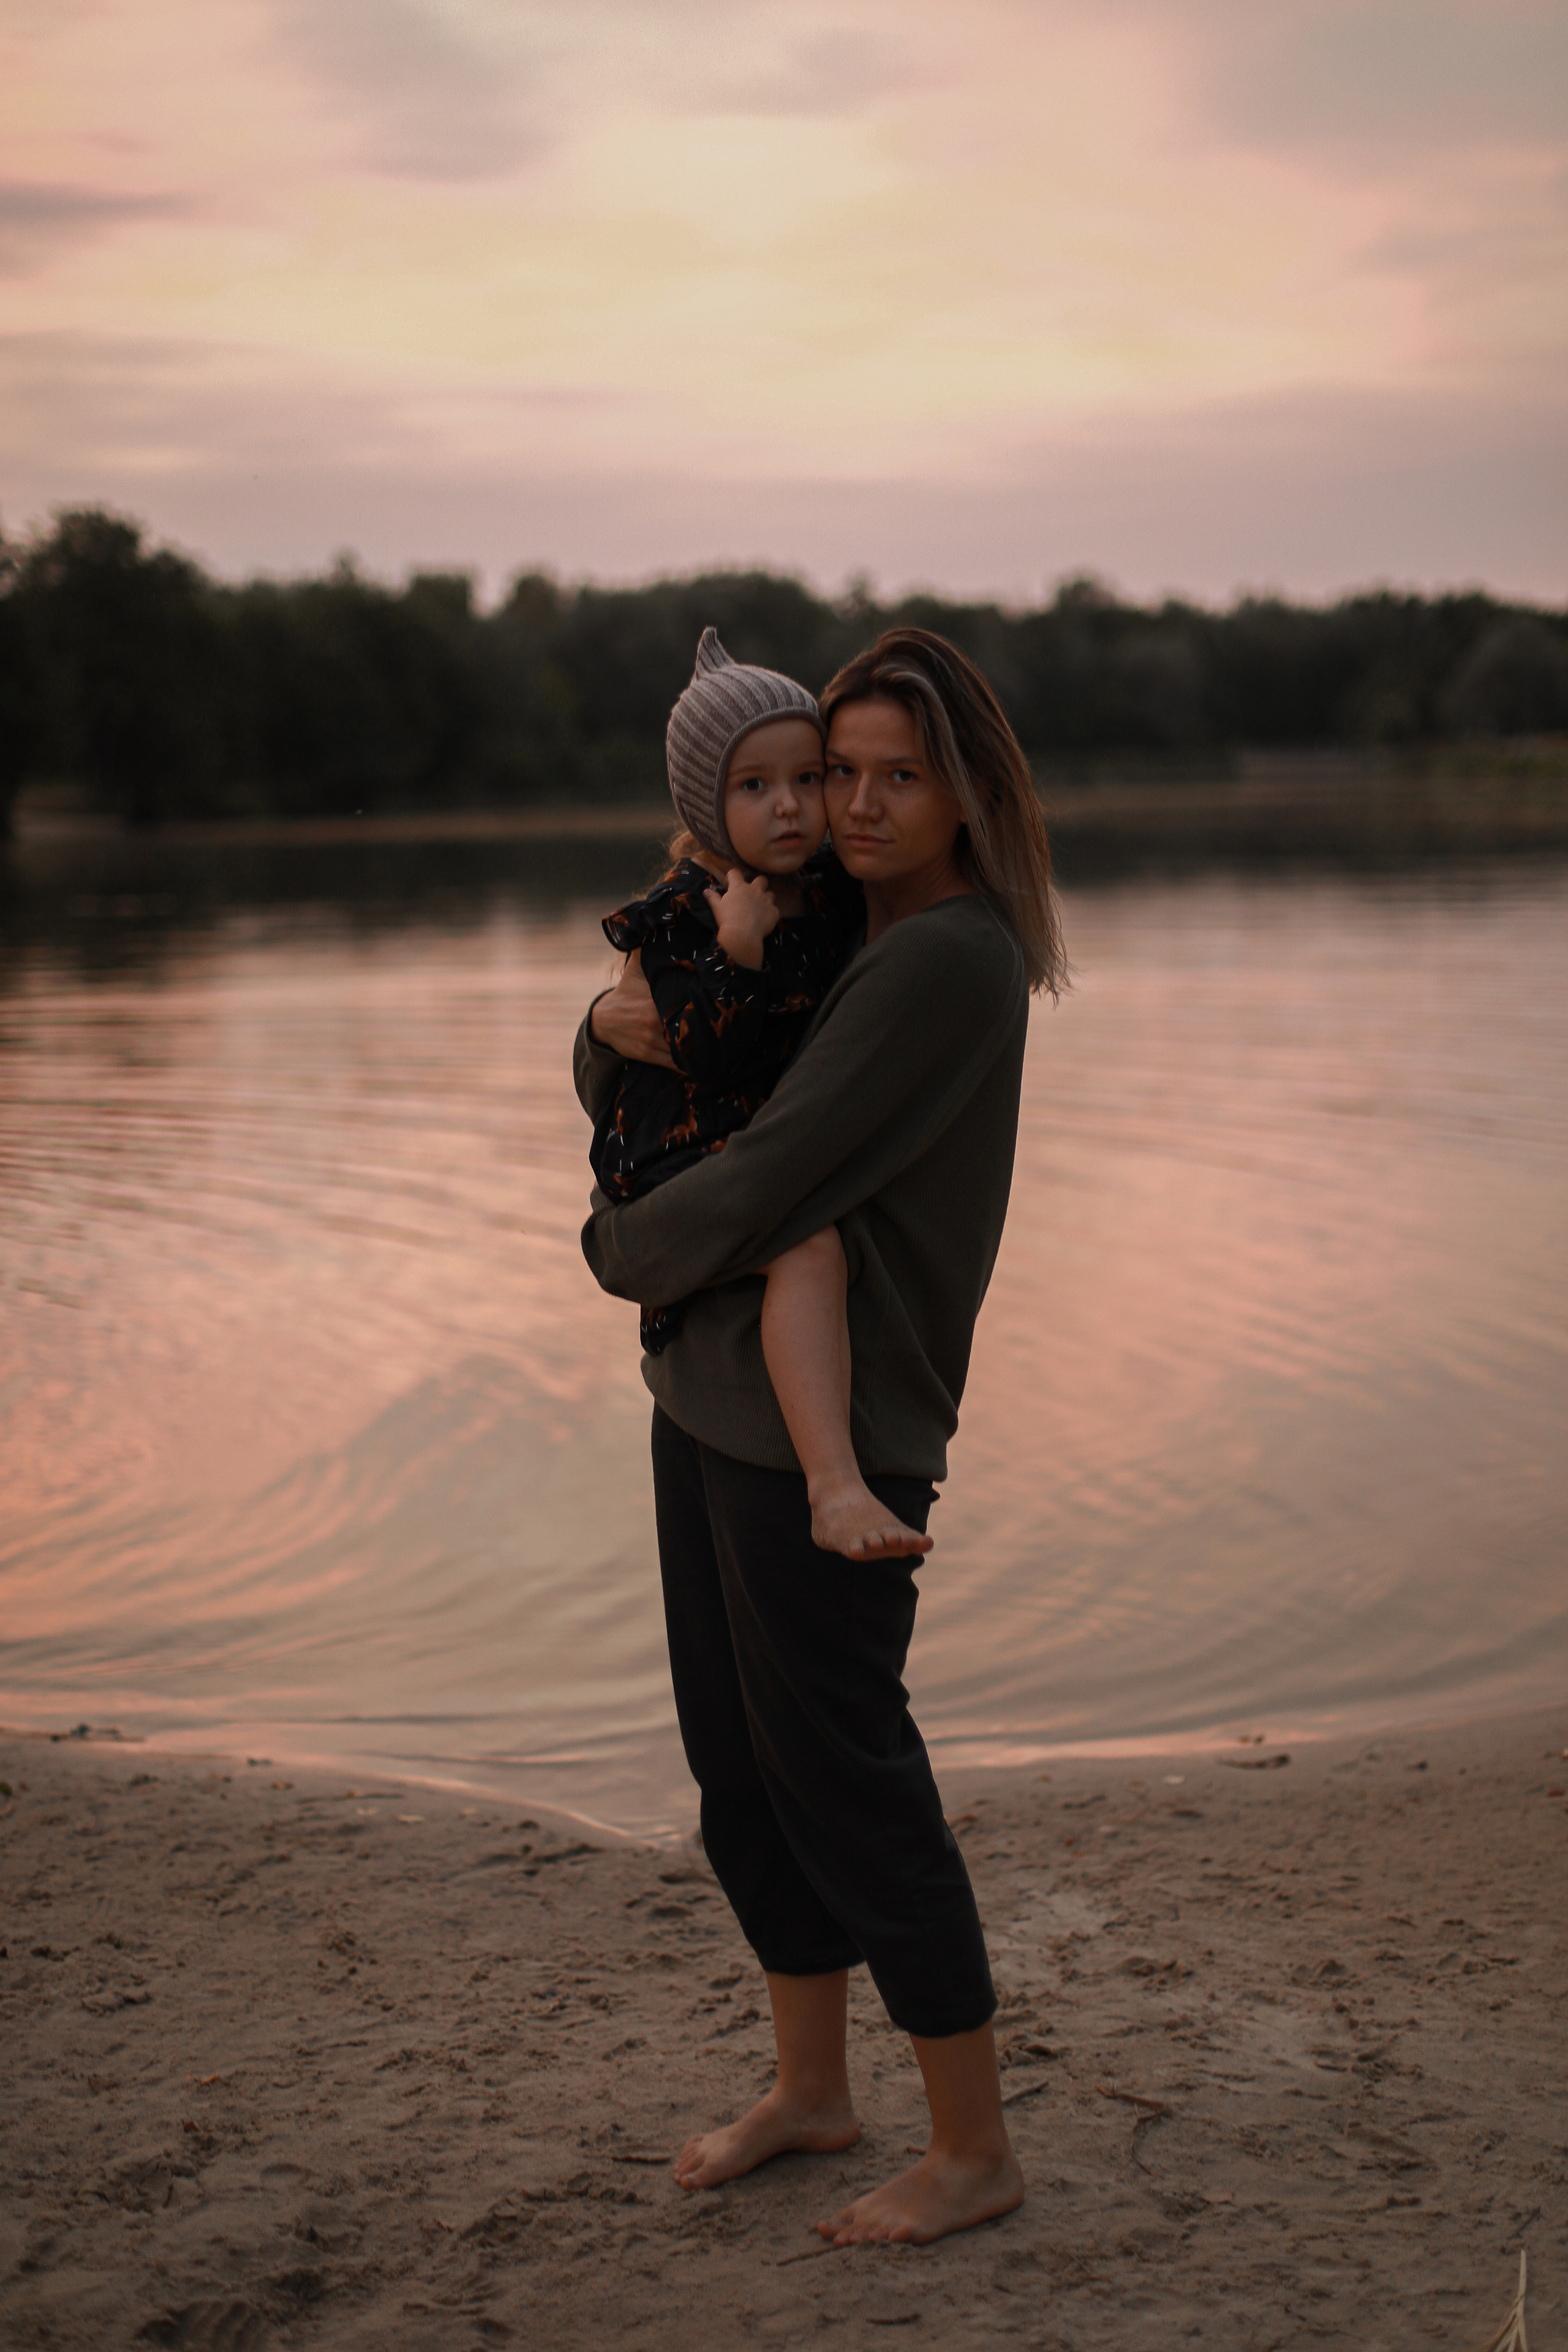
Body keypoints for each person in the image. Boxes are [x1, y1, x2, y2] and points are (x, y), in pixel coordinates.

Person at [575, 627, 1066, 2247]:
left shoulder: (945, 958)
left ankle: (975, 2147)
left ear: (965, 791)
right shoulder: (839, 923)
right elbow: (671, 1024)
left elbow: (777, 1164)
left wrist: (623, 1252)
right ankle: (812, 2090)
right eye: (834, 770)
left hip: (833, 1426)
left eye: (893, 776)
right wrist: (603, 1024)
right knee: (743, 1770)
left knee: (847, 1772)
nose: (851, 804)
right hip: (709, 1395)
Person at [592, 627, 933, 1561]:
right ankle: (834, 1487)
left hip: (736, 1136)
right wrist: (733, 956)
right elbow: (704, 1058)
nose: (790, 807)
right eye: (754, 787)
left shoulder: (822, 891)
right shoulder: (681, 916)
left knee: (809, 1241)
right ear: (708, 804)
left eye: (806, 778)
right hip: (672, 1142)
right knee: (811, 1250)